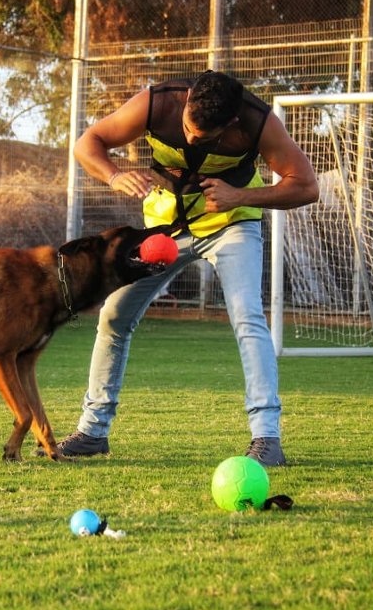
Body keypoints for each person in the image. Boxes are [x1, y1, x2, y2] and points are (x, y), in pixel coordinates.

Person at [52, 70, 318, 466]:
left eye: (203, 137)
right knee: (113, 315)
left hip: (231, 226)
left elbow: (306, 185)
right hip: (164, 233)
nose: (192, 139)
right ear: (188, 99)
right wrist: (114, 174)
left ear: (230, 123)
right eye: (189, 129)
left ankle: (267, 438)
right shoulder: (158, 102)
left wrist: (240, 195)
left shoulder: (257, 122)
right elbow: (88, 143)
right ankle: (93, 431)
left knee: (248, 318)